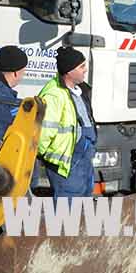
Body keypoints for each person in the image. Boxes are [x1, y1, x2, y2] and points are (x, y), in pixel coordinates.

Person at [37, 46, 96, 197]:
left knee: (83, 201)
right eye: (81, 66)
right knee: (68, 208)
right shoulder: (54, 95)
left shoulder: (80, 90)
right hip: (68, 162)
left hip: (83, 159)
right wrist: (48, 158)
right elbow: (42, 134)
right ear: (69, 71)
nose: (85, 70)